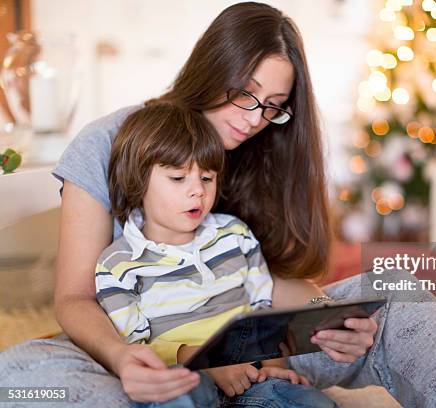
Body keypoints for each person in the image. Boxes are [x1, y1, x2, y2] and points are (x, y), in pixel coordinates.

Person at [0, 2, 436, 407]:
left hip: (248, 341)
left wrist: (330, 320)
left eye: (274, 107)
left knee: (393, 298)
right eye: (245, 93)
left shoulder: (265, 149)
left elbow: (262, 285)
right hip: (145, 350)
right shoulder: (110, 140)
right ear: (213, 67)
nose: (254, 118)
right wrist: (124, 359)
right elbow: (73, 299)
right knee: (22, 374)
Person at [95, 102, 336, 407]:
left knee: (314, 403)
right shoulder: (117, 265)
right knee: (176, 397)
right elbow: (135, 346)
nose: (198, 191)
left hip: (251, 377)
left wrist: (275, 366)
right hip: (187, 377)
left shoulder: (234, 235)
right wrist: (201, 359)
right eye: (178, 178)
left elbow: (262, 308)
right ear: (138, 179)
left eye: (207, 178)